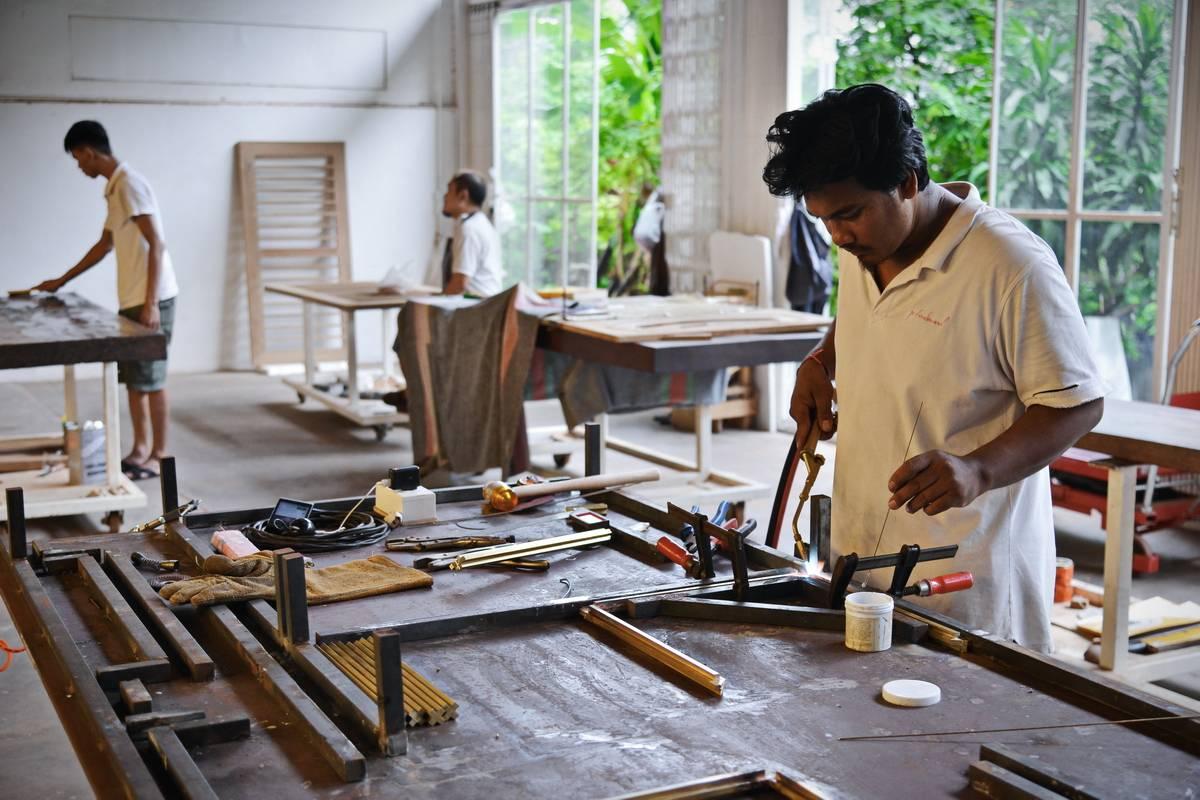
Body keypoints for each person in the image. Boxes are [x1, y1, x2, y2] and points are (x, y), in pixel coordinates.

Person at [763, 84, 1105, 652]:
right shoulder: (865, 245)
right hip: (863, 566)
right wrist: (822, 359)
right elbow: (869, 318)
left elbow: (1078, 402)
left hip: (965, 581)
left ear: (907, 181)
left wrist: (978, 470)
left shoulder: (1010, 266)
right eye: (824, 220)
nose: (838, 236)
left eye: (848, 215)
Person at [35, 120, 180, 480]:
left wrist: (149, 304)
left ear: (89, 151)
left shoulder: (129, 184)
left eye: (77, 158)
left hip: (153, 298)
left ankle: (160, 455)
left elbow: (156, 242)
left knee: (153, 377)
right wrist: (61, 280)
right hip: (133, 296)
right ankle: (139, 450)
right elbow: (104, 245)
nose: (79, 166)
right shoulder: (115, 190)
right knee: (133, 378)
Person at [440, 170, 502, 297]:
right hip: (488, 304)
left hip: (477, 308)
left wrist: (435, 303)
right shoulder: (481, 223)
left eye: (449, 191)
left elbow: (460, 283)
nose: (445, 196)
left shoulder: (469, 229)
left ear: (463, 196)